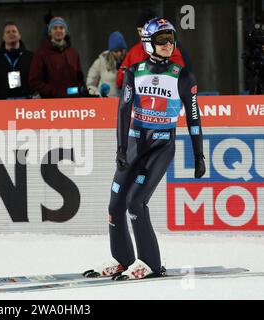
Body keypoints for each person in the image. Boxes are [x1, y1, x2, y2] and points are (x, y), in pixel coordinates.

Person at [84, 18, 206, 280]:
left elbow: (194, 118)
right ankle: (122, 259)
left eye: (171, 39)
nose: (167, 44)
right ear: (148, 43)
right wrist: (120, 148)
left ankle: (150, 262)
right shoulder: (133, 71)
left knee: (135, 202)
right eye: (161, 40)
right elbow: (123, 111)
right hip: (134, 144)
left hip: (161, 146)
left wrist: (199, 155)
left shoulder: (183, 76)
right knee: (115, 204)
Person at [116, 9, 186, 90]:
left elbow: (180, 78)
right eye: (139, 31)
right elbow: (119, 81)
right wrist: (127, 74)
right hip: (138, 98)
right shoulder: (134, 51)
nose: (142, 34)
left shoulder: (168, 49)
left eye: (144, 31)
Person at [29, 16, 85, 98]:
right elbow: (34, 81)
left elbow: (79, 77)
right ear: (50, 32)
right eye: (55, 28)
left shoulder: (73, 53)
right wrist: (53, 91)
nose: (58, 30)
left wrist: (79, 91)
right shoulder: (41, 53)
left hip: (73, 102)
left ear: (65, 31)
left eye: (61, 28)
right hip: (51, 103)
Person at [0, 22, 33, 100]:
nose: (11, 33)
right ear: (3, 37)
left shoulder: (31, 57)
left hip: (26, 103)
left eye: (14, 31)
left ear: (19, 36)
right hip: (2, 104)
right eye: (8, 32)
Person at [86, 31, 127, 97]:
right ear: (111, 51)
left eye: (121, 50)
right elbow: (90, 83)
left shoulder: (129, 61)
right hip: (105, 103)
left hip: (123, 103)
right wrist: (97, 94)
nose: (119, 54)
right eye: (116, 51)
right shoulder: (101, 62)